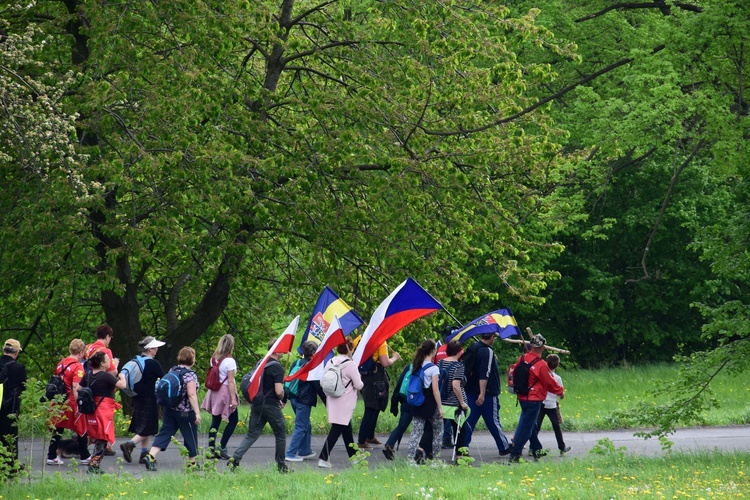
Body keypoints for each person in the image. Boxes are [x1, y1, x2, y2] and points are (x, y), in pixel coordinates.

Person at [228, 338, 290, 473]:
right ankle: (281, 466)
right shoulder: (277, 367)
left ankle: (235, 459)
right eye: (282, 348)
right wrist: (282, 396)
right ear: (277, 350)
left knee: (252, 434)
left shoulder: (261, 363)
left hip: (257, 403)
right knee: (280, 433)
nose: (284, 351)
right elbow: (278, 391)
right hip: (271, 405)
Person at [144, 346, 201, 471]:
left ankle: (151, 456)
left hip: (170, 409)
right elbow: (191, 394)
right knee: (190, 434)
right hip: (185, 411)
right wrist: (197, 412)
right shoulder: (190, 375)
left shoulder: (173, 370)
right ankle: (192, 463)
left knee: (165, 432)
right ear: (192, 359)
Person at [508, 334, 564, 463]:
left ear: (531, 345)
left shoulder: (521, 358)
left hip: (522, 396)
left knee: (531, 424)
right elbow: (549, 382)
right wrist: (560, 392)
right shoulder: (541, 364)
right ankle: (515, 454)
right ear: (543, 347)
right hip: (534, 399)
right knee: (527, 426)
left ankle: (537, 450)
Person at [462, 333, 512, 455]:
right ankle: (504, 446)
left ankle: (462, 447)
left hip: (470, 390)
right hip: (487, 393)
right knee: (493, 421)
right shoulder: (487, 351)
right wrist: (482, 393)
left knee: (469, 421)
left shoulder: (473, 347)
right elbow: (485, 373)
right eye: (494, 337)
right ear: (491, 337)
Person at [317, 339, 364, 468]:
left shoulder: (331, 361)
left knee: (345, 427)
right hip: (345, 400)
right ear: (350, 349)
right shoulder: (350, 364)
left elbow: (322, 381)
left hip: (332, 399)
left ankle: (354, 457)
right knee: (337, 428)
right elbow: (359, 385)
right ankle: (323, 457)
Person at [120, 336, 165, 464]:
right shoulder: (153, 363)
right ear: (150, 349)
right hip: (149, 399)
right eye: (155, 347)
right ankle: (129, 445)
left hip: (137, 397)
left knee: (144, 427)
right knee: (148, 428)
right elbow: (164, 378)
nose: (157, 349)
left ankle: (144, 453)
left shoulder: (137, 360)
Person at [46, 339, 91, 466]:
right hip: (71, 401)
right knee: (81, 427)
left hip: (60, 400)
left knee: (58, 427)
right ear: (81, 352)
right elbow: (76, 386)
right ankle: (84, 455)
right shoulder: (77, 366)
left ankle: (52, 455)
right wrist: (79, 405)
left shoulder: (61, 363)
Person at [80, 351, 126, 473]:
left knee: (97, 435)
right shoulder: (105, 376)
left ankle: (92, 462)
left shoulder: (88, 375)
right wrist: (122, 376)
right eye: (107, 360)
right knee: (103, 436)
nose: (109, 362)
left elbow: (79, 388)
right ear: (101, 364)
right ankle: (94, 465)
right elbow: (122, 385)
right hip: (104, 409)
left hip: (92, 408)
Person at [353, 337, 400, 449]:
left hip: (364, 377)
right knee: (371, 408)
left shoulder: (359, 339)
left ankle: (370, 436)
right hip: (376, 378)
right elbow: (385, 362)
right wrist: (395, 358)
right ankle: (362, 440)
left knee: (375, 407)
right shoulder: (380, 341)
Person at [285, 341, 326, 462]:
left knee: (306, 424)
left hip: (293, 397)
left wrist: (283, 397)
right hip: (304, 399)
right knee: (301, 426)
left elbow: (288, 379)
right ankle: (291, 453)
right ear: (313, 352)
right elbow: (317, 386)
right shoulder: (312, 366)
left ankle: (305, 450)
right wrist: (326, 401)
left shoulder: (296, 363)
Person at [201, 334, 239, 460]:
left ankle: (211, 448)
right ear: (231, 346)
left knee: (215, 420)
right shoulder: (230, 361)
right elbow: (231, 381)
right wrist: (233, 398)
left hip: (214, 392)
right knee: (233, 420)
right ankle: (222, 447)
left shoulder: (214, 359)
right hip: (225, 392)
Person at [406, 340, 443, 464]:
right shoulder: (434, 368)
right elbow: (435, 391)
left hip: (417, 402)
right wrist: (440, 408)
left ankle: (410, 459)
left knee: (416, 432)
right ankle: (436, 459)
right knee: (438, 430)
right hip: (430, 404)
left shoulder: (416, 365)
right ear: (433, 351)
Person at [533, 354, 570, 455]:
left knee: (537, 425)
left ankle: (533, 448)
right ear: (557, 365)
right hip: (551, 405)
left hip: (541, 403)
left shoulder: (541, 375)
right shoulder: (557, 378)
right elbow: (560, 393)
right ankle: (562, 448)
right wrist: (562, 396)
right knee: (556, 426)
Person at [439, 340, 470, 459]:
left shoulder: (440, 363)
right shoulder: (459, 366)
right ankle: (459, 455)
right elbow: (456, 385)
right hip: (454, 403)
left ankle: (431, 453)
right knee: (459, 430)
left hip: (441, 401)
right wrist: (462, 402)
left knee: (436, 429)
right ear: (459, 351)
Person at [0, 339, 27, 471]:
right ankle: (11, 464)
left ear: (3, 350)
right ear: (16, 352)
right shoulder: (19, 368)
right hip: (10, 406)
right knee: (11, 433)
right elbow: (24, 386)